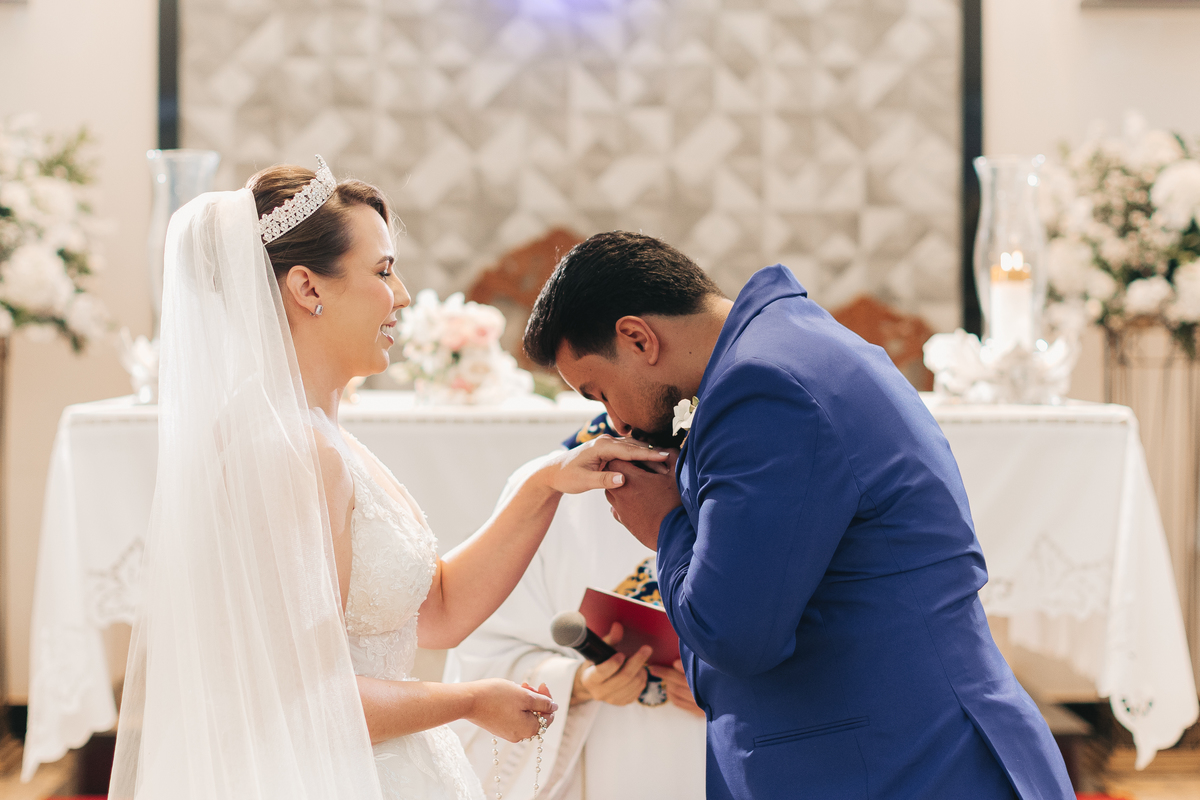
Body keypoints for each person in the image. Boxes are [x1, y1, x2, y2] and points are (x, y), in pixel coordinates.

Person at [109, 161, 666, 800]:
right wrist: (468, 701)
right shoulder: (286, 451)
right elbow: (299, 702)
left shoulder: (321, 435)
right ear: (307, 287)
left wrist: (544, 483)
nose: (401, 295)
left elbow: (438, 611)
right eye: (382, 271)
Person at [521, 231, 1076, 800]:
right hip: (893, 743)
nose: (614, 421)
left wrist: (665, 523)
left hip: (898, 762)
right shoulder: (786, 342)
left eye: (599, 392)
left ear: (638, 338)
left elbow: (734, 636)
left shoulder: (761, 388)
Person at [445, 415, 707, 799]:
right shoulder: (553, 490)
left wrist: (739, 689)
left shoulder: (752, 474)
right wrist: (578, 683)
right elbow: (484, 654)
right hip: (605, 758)